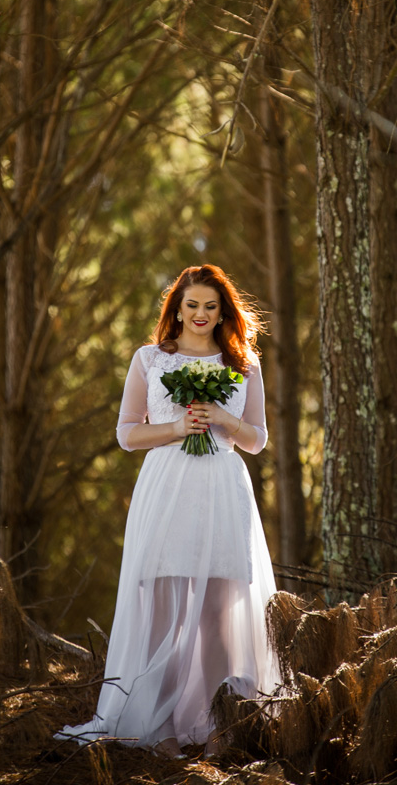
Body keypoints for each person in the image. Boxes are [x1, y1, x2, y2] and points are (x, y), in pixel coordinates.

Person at [54, 264, 280, 758]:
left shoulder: (243, 362)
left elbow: (259, 440)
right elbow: (127, 433)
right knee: (162, 609)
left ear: (223, 312)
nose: (200, 314)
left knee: (219, 612)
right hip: (166, 488)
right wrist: (178, 428)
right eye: (192, 305)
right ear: (176, 308)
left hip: (222, 490)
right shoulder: (150, 359)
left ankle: (220, 726)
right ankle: (159, 728)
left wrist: (221, 417)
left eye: (211, 306)